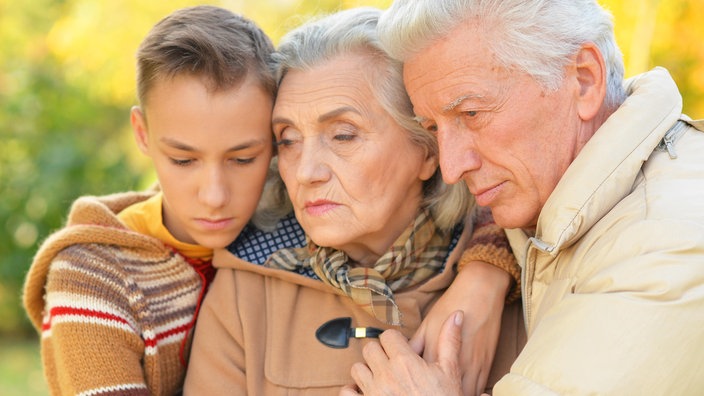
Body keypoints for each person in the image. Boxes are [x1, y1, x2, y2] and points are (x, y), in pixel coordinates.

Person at [344, 0, 704, 394]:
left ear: (584, 80)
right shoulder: (558, 188)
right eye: (433, 127)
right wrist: (487, 267)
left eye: (472, 114)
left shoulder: (665, 244)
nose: (451, 168)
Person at [183, 7, 525, 395]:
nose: (306, 172)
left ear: (429, 150)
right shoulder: (246, 290)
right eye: (288, 139)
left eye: (343, 135)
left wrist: (489, 272)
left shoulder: (522, 268)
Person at [22, 6, 277, 395]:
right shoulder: (91, 276)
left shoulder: (294, 241)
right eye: (183, 160)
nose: (214, 195)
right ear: (142, 133)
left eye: (243, 159)